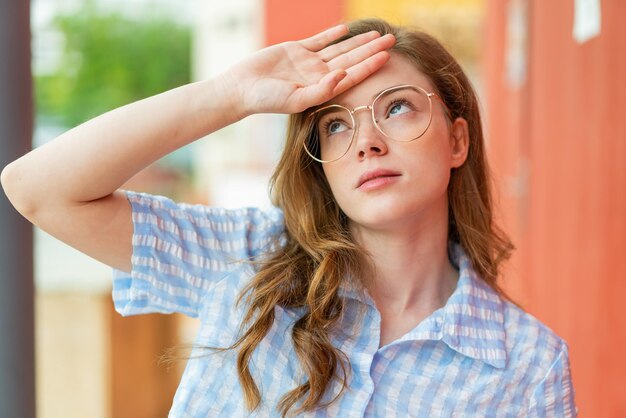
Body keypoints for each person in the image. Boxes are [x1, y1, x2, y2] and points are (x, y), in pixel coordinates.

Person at [1, 17, 577, 417]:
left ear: (457, 141)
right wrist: (234, 93)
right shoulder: (247, 257)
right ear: (321, 164)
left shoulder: (528, 366)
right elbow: (37, 189)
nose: (366, 143)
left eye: (396, 108)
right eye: (336, 125)